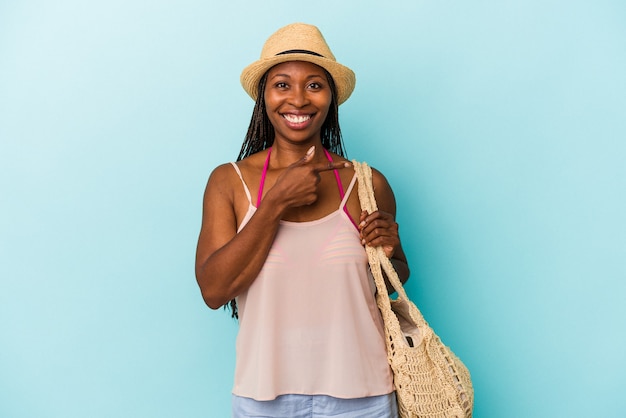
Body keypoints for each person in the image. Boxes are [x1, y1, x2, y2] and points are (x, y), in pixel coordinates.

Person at [195, 23, 410, 418]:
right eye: (282, 85)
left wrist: (391, 250)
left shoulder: (367, 183)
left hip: (363, 398)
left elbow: (394, 279)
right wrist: (275, 204)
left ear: (331, 98)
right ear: (264, 97)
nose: (298, 99)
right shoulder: (229, 182)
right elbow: (214, 291)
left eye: (314, 85)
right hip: (263, 398)